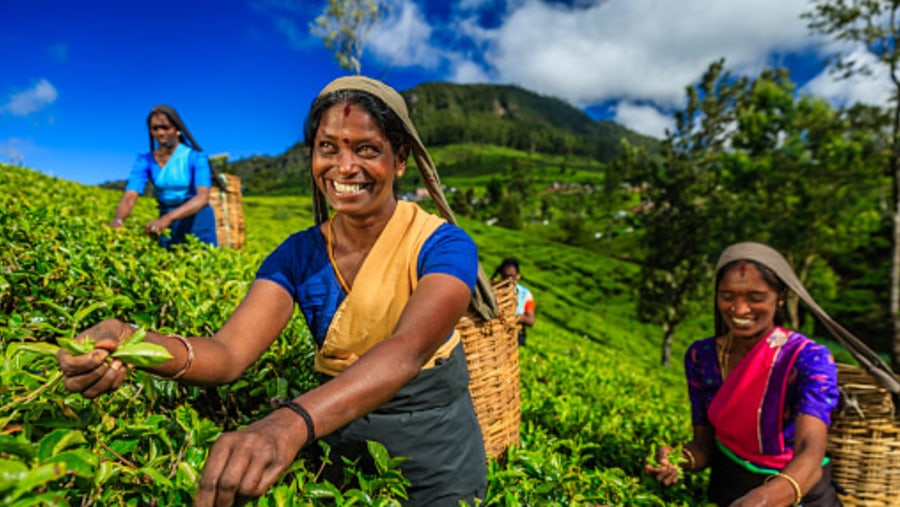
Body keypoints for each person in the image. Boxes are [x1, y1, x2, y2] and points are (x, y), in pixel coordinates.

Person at [56, 76, 499, 506]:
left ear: (400, 159)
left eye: (367, 149)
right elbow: (228, 353)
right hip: (340, 451)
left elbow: (406, 349)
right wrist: (130, 341)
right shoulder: (298, 255)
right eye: (328, 148)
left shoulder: (443, 245)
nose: (344, 167)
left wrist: (288, 424)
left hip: (435, 462)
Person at [645, 242, 846, 506]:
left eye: (755, 298)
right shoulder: (701, 357)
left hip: (799, 495)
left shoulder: (808, 359)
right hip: (729, 492)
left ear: (781, 296)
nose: (739, 310)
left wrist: (764, 498)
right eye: (727, 296)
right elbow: (704, 446)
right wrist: (676, 459)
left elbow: (810, 453)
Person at [108, 104, 218, 249]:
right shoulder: (145, 160)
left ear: (177, 129)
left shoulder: (195, 157)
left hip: (196, 220)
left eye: (165, 127)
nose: (160, 133)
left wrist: (167, 219)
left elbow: (202, 197)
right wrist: (118, 220)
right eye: (155, 128)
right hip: (167, 219)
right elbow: (130, 195)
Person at [493, 257, 535, 346]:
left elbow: (530, 320)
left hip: (516, 335)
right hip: (496, 334)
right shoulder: (494, 291)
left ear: (517, 276)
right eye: (505, 276)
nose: (508, 280)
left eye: (511, 276)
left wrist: (510, 316)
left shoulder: (525, 294)